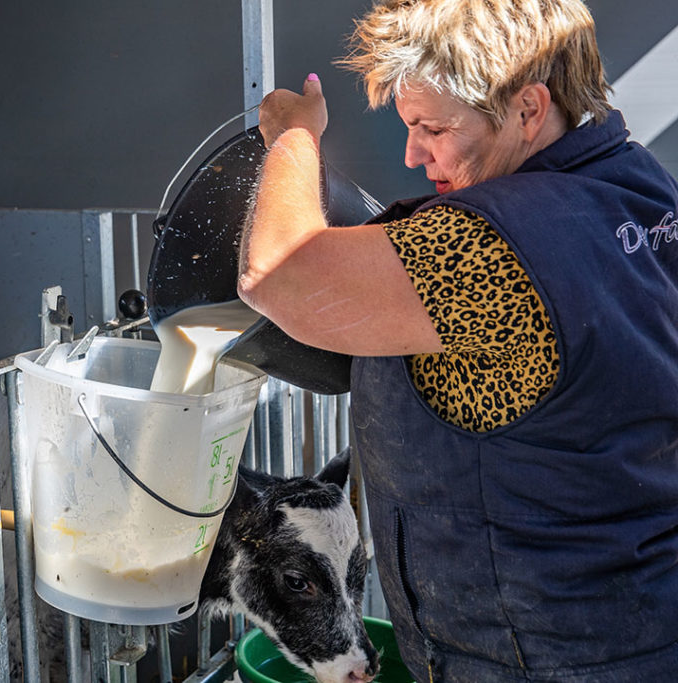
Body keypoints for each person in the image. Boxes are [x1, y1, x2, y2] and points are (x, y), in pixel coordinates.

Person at [237, 0, 678, 680]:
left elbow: (276, 273)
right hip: (638, 620)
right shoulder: (635, 184)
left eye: (432, 127)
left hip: (543, 658)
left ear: (530, 109)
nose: (415, 153)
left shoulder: (496, 247)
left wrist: (294, 138)